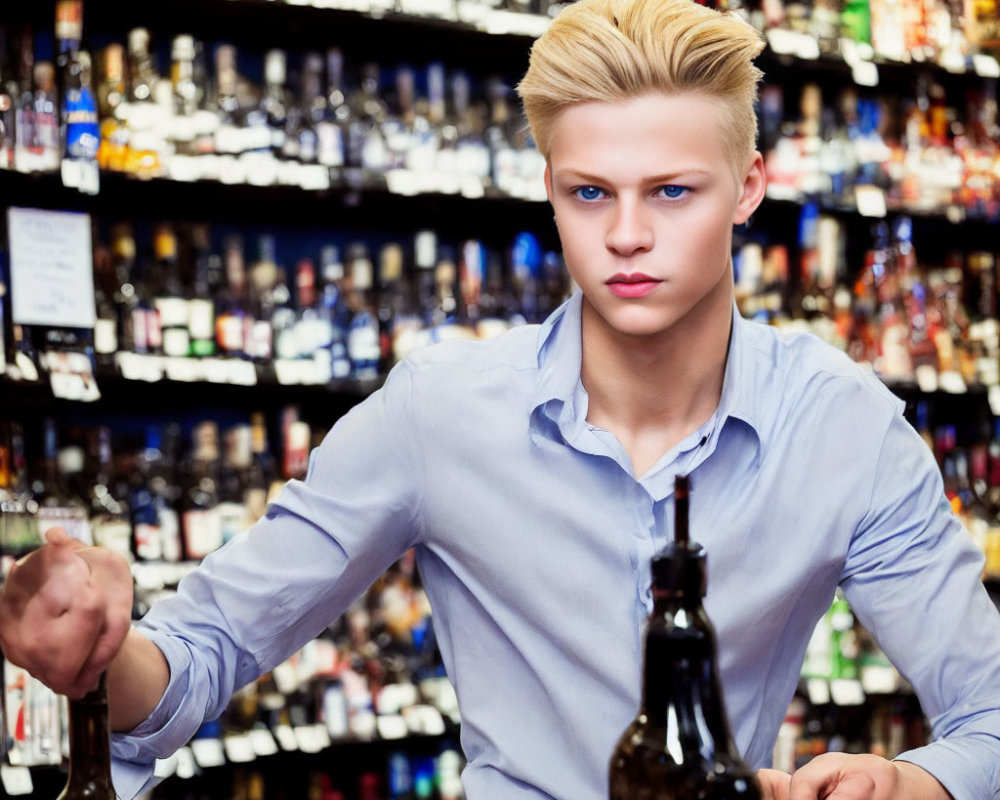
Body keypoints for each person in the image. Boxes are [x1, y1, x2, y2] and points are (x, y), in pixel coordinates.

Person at [2, 0, 999, 797]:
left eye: (673, 192)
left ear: (746, 188)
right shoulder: (439, 413)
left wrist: (916, 779)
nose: (626, 236)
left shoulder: (843, 426)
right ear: (550, 188)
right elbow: (204, 654)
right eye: (590, 192)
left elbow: (991, 710)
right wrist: (97, 650)